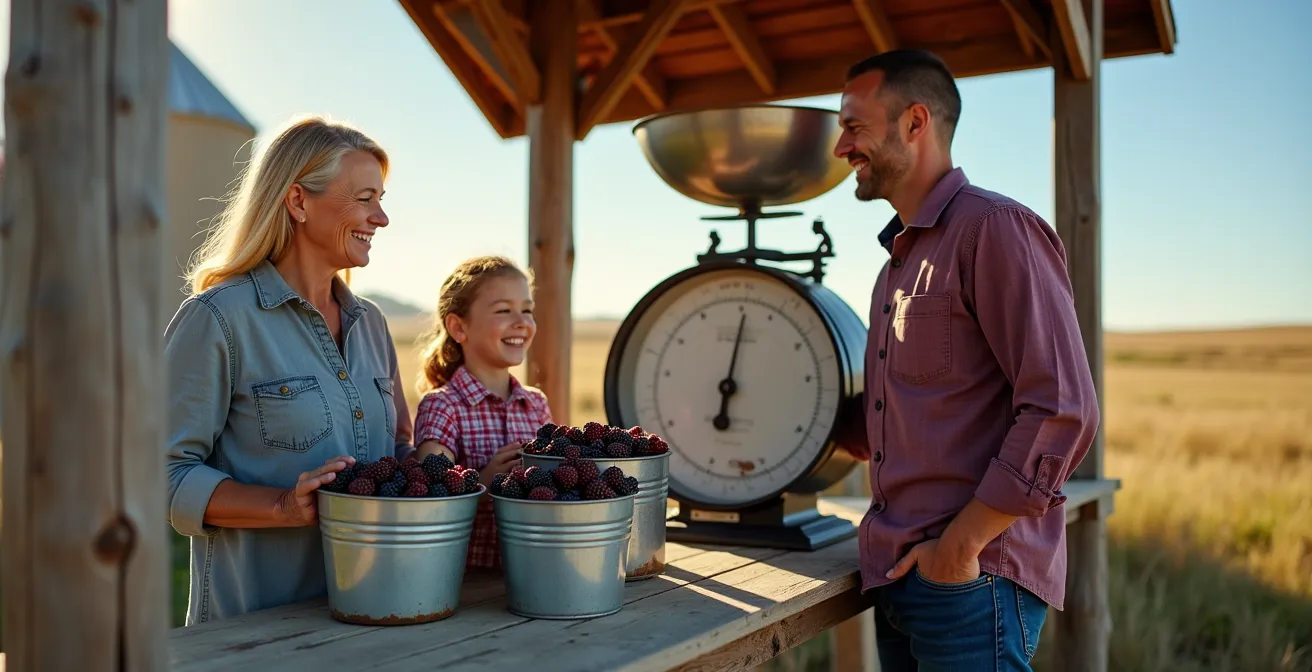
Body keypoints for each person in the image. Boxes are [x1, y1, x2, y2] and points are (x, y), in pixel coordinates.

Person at [832, 50, 1100, 670]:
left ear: (915, 122)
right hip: (902, 575)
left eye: (854, 126)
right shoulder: (893, 269)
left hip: (971, 580)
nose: (842, 148)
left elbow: (1062, 408)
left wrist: (961, 546)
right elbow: (908, 415)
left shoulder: (995, 229)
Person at [164, 115, 413, 625]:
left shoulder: (373, 326)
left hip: (378, 620)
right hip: (253, 639)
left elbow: (399, 454)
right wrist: (282, 506)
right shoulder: (217, 319)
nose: (381, 218)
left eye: (380, 200)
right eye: (365, 199)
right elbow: (159, 474)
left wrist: (460, 471)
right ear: (298, 201)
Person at [411, 255, 553, 571]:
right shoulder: (443, 406)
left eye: (527, 310)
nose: (521, 322)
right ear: (459, 327)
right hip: (467, 586)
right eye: (504, 310)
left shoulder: (536, 404)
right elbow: (430, 500)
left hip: (533, 572)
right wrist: (483, 484)